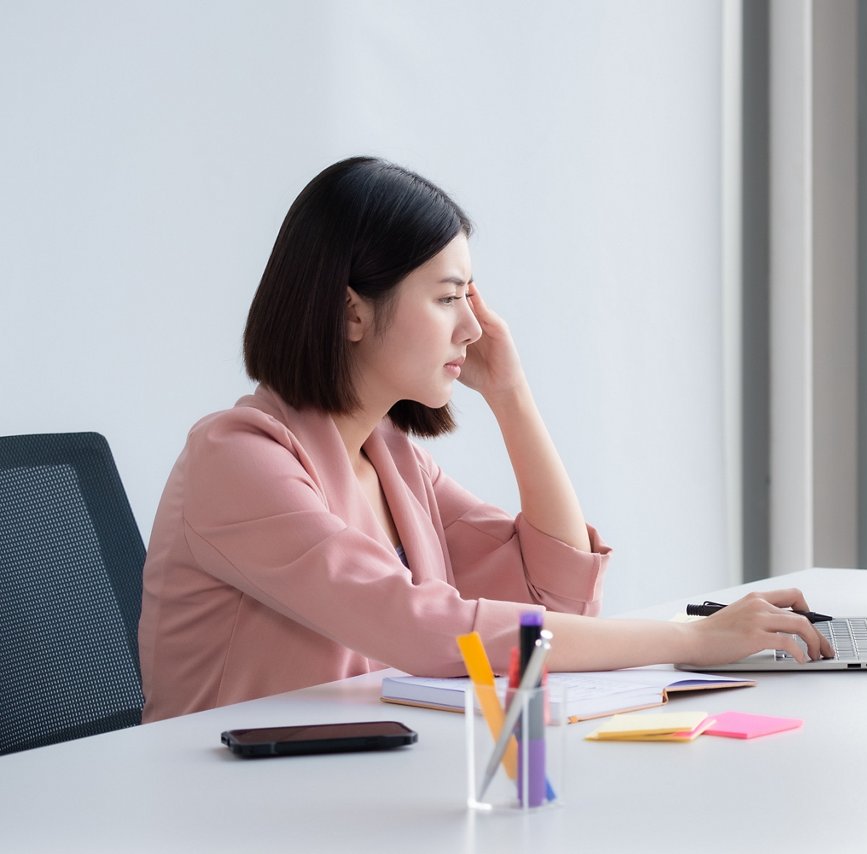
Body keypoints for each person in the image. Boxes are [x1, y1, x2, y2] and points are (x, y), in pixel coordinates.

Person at [137, 156, 831, 722]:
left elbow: (552, 598)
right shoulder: (235, 460)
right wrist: (694, 640)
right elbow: (427, 629)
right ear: (352, 312)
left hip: (347, 790)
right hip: (228, 809)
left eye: (471, 298)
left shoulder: (393, 460)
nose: (472, 328)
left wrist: (511, 395)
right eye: (447, 298)